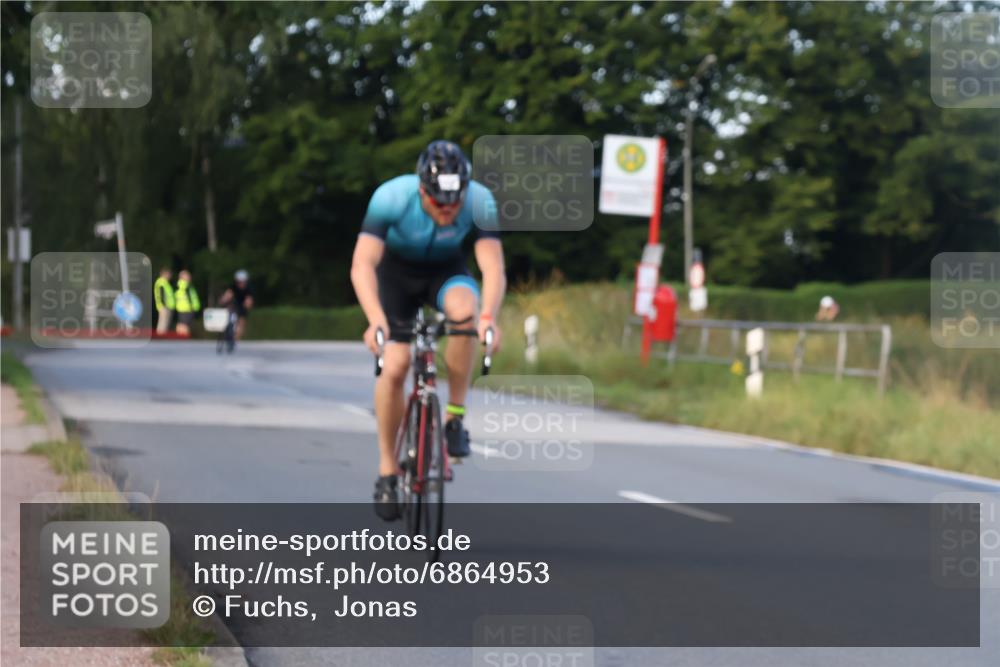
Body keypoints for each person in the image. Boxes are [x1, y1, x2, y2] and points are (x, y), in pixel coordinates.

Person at [350, 140, 506, 521]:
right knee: (396, 366)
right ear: (423, 190)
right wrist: (375, 319)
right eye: (439, 203)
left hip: (446, 272)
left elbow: (492, 268)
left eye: (454, 203)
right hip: (396, 277)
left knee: (465, 315)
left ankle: (454, 418)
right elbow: (362, 265)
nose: (448, 210)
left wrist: (488, 317)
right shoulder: (391, 197)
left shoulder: (480, 200)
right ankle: (388, 471)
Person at [219, 269, 255, 341]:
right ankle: (227, 328)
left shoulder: (249, 288)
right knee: (229, 310)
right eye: (238, 282)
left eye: (242, 282)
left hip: (243, 305)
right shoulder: (234, 286)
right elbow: (228, 294)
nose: (240, 284)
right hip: (235, 303)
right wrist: (223, 300)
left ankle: (236, 338)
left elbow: (249, 300)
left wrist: (247, 305)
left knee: (241, 321)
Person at [174, 269, 201, 337]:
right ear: (182, 277)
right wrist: (192, 306)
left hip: (184, 308)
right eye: (187, 276)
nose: (189, 277)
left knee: (181, 324)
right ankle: (183, 339)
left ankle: (179, 338)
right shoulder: (185, 285)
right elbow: (189, 297)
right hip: (186, 308)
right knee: (184, 325)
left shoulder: (183, 285)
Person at [153, 268, 175, 335]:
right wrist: (163, 304)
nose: (170, 276)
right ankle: (160, 337)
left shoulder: (165, 283)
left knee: (165, 323)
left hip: (167, 306)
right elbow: (161, 294)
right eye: (169, 274)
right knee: (163, 322)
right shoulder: (161, 282)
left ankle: (163, 337)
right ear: (164, 274)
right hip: (164, 306)